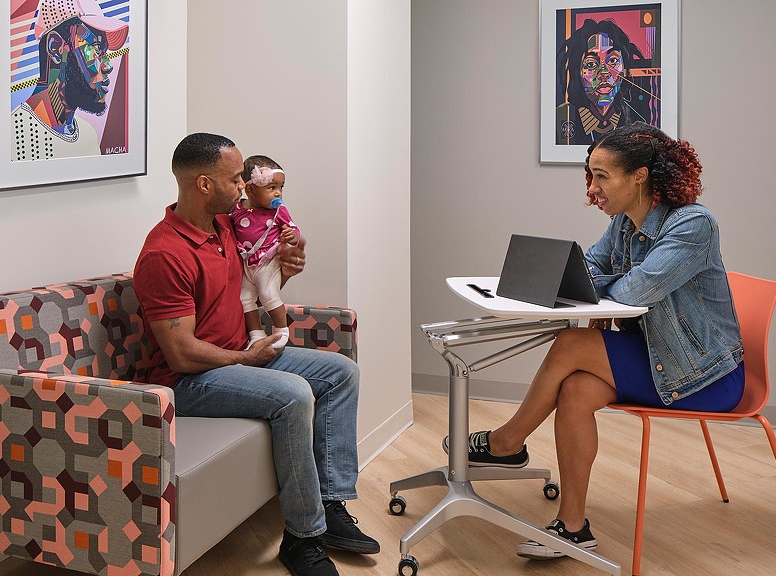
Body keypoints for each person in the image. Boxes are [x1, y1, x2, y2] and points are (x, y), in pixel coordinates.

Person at [448, 122, 743, 559]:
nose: (592, 187)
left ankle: (507, 443)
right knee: (575, 389)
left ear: (639, 176)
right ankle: (573, 527)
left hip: (703, 372)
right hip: (654, 355)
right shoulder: (625, 224)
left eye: (602, 175)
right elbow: (586, 270)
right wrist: (604, 280)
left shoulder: (693, 224)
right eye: (590, 174)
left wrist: (606, 281)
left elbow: (631, 293)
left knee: (570, 344)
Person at [133, 133, 379, 576]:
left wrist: (284, 269)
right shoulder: (164, 253)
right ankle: (303, 538)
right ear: (204, 185)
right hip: (188, 381)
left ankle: (331, 503)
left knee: (341, 372)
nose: (245, 187)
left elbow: (254, 291)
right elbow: (182, 355)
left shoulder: (228, 227)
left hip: (237, 354)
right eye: (235, 179)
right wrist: (247, 359)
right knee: (293, 395)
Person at [11, 0, 128, 161]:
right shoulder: (12, 134)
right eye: (95, 48)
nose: (107, 65)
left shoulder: (88, 134)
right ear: (56, 48)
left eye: (105, 51)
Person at [232, 155, 300, 350]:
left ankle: (282, 331)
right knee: (244, 297)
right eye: (272, 188)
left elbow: (294, 230)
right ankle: (256, 333)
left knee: (268, 293)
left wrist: (291, 236)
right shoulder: (237, 209)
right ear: (251, 189)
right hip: (247, 262)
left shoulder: (279, 212)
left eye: (281, 188)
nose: (278, 193)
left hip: (269, 260)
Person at [555, 18, 654, 145]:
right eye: (591, 64)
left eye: (612, 61)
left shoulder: (638, 120)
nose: (604, 74)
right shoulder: (562, 118)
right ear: (578, 72)